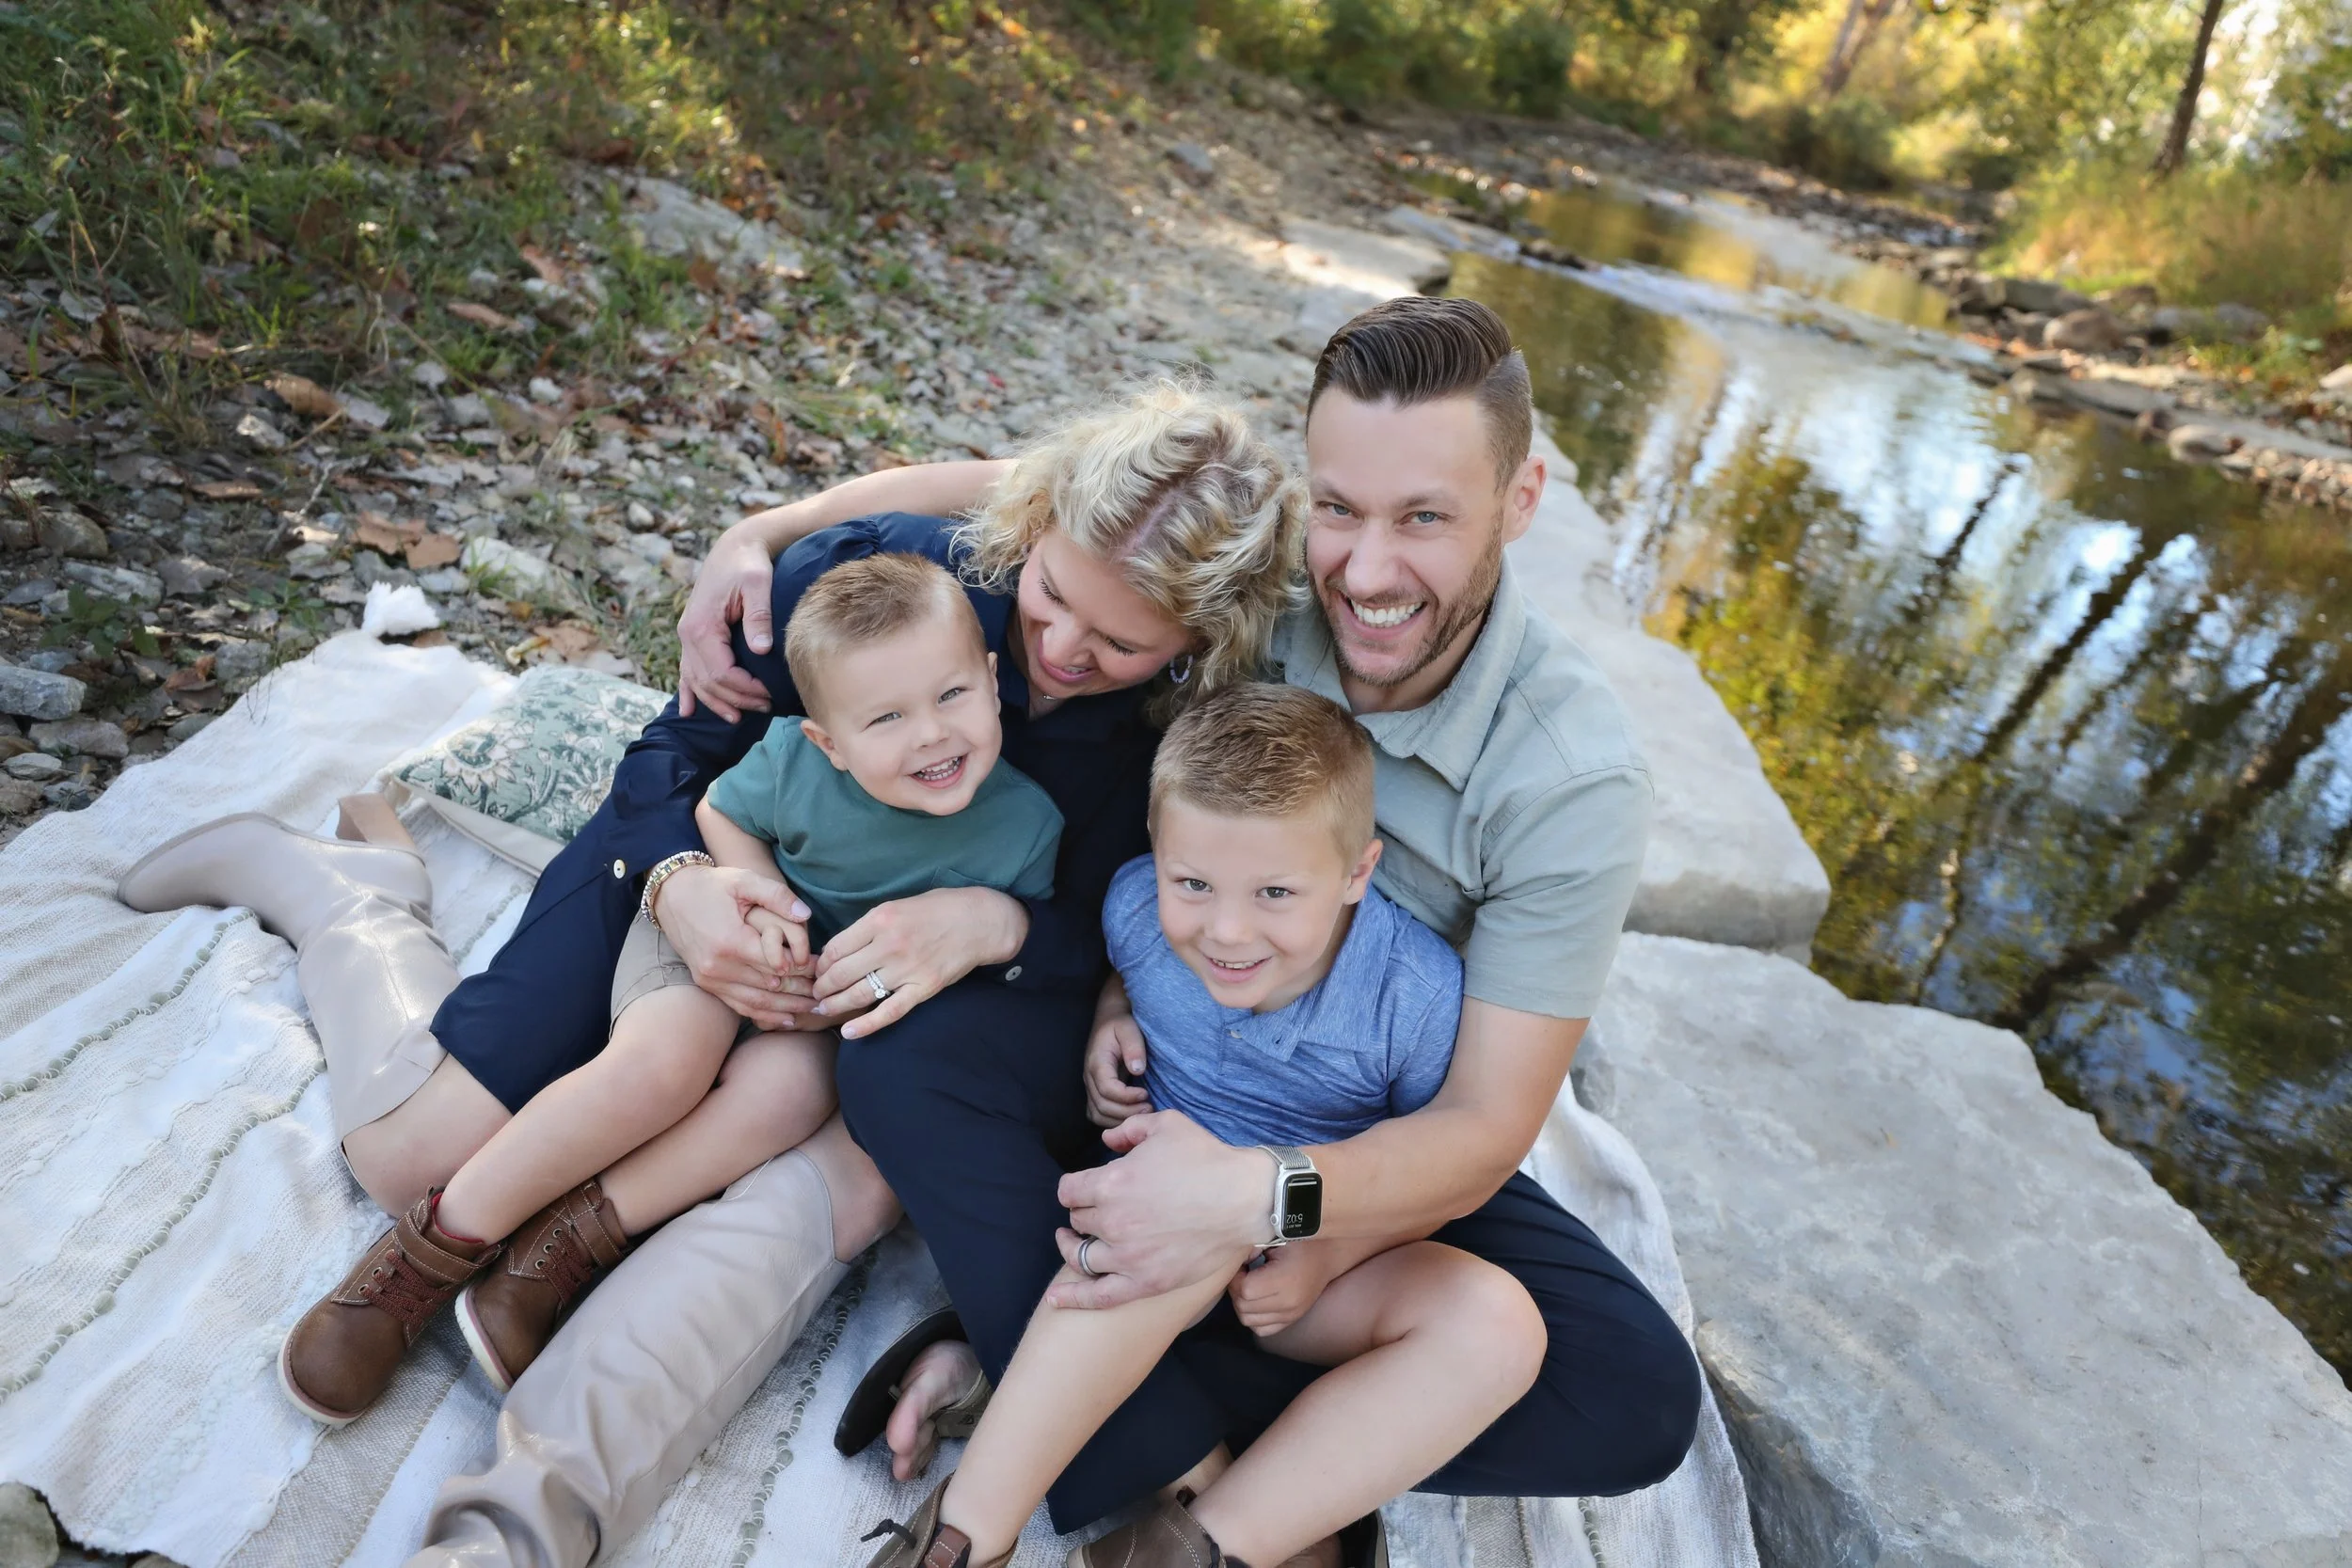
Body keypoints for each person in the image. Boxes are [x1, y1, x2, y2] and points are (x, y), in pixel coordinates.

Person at [110, 382, 1304, 1567]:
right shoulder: (891, 582)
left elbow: (1108, 925)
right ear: (1034, 528)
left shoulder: (1162, 738)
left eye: (1119, 640)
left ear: (1193, 643)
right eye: (1048, 597)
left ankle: (539, 1447)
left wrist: (996, 922)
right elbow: (684, 746)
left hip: (852, 991)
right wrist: (683, 876)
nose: (1056, 648)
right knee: (411, 1157)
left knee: (820, 1137)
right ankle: (349, 897)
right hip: (692, 862)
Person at [686, 297, 1703, 1567]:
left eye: (1426, 517)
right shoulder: (1259, 590)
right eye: (1342, 508)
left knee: (1632, 1393)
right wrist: (768, 529)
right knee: (905, 1060)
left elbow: (1484, 1127)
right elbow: (1033, 491)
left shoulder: (1572, 777)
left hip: (1370, 1125)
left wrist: (1278, 1207)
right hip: (1168, 1052)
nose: (1369, 571)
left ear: (1522, 497)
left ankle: (1051, 1358)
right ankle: (1137, 1420)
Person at [232, 553, 1064, 1423]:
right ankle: (430, 1249)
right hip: (724, 941)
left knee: (791, 1094)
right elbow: (721, 814)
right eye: (887, 716)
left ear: (992, 682)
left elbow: (999, 977)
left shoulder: (1026, 830)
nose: (932, 734)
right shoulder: (794, 762)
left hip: (811, 1012)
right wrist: (753, 902)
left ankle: (552, 1255)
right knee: (667, 1060)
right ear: (830, 741)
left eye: (952, 696)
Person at [861, 682, 1545, 1568]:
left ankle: (1195, 1549)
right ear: (1158, 854)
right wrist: (1113, 1013)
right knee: (1174, 1215)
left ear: (1356, 874)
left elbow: (1436, 1171)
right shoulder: (1140, 909)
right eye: (1195, 882)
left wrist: (1326, 1251)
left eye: (1273, 892)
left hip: (1307, 1259)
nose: (1225, 930)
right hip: (1162, 1230)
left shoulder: (1411, 999)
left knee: (1498, 1325)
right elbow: (1128, 967)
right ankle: (959, 1542)